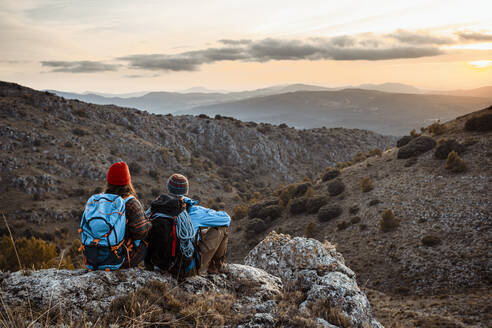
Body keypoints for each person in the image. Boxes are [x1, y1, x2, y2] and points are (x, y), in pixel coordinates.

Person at [166, 173, 231, 275]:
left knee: (202, 232)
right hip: (185, 269)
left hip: (160, 265)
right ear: (186, 191)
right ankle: (215, 266)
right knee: (222, 228)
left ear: (168, 188)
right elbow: (226, 219)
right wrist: (207, 212)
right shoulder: (194, 211)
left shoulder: (155, 208)